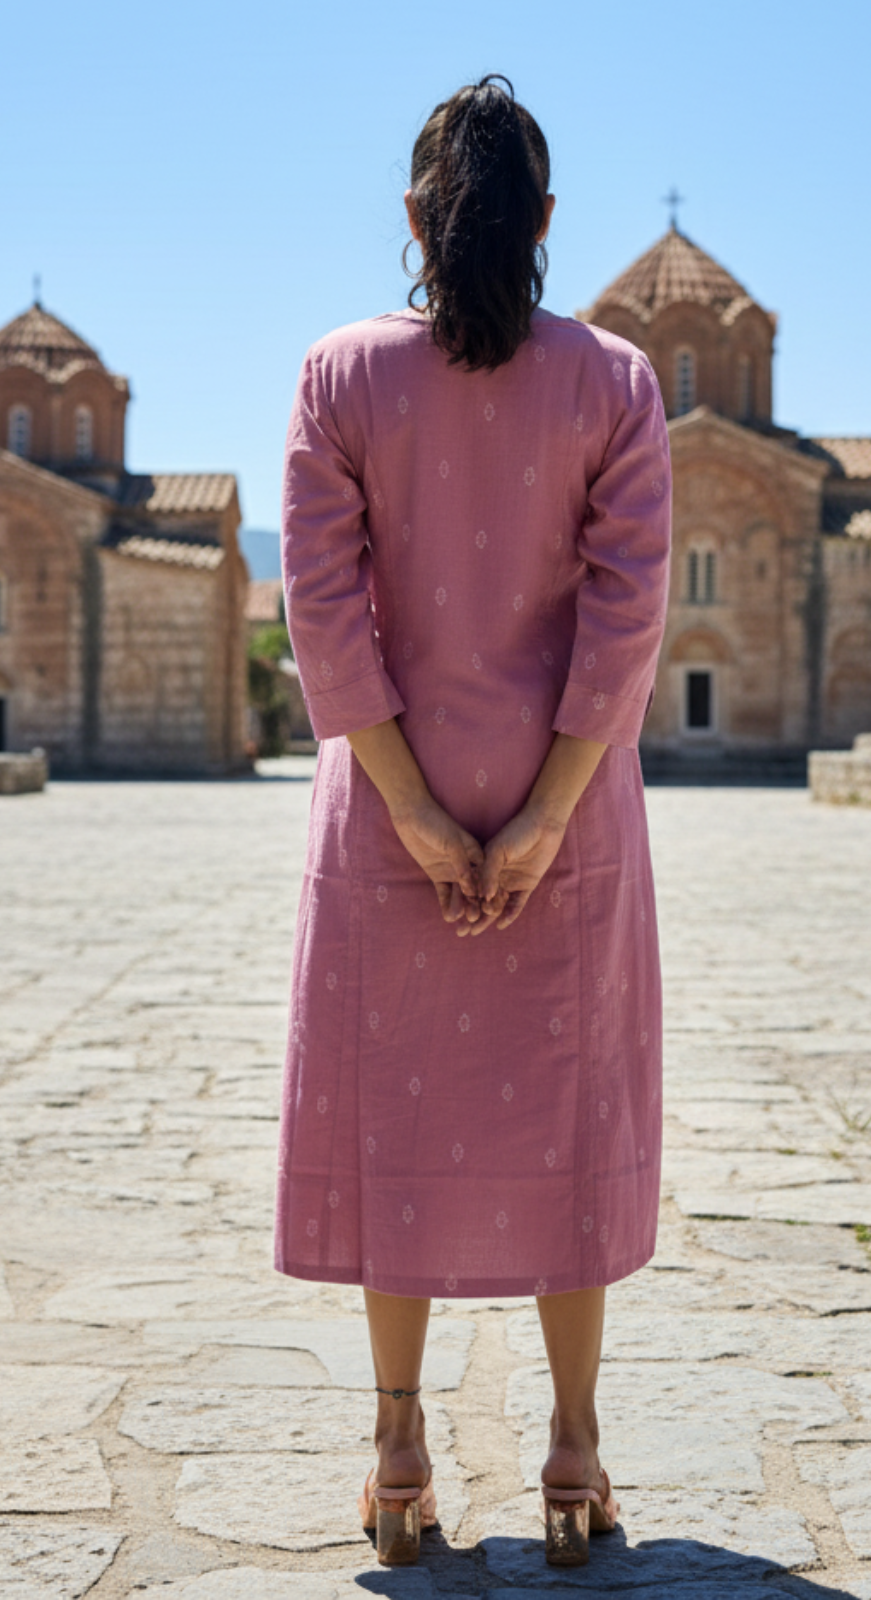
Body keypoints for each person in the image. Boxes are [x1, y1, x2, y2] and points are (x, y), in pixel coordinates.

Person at [275, 74, 671, 1568]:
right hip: (574, 825)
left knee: (397, 1124)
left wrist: (421, 817)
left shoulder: (337, 377)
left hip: (390, 821)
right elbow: (627, 626)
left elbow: (323, 613)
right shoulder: (619, 386)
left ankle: (394, 1453)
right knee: (568, 1124)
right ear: (549, 224)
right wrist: (546, 816)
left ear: (414, 222)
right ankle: (574, 1453)